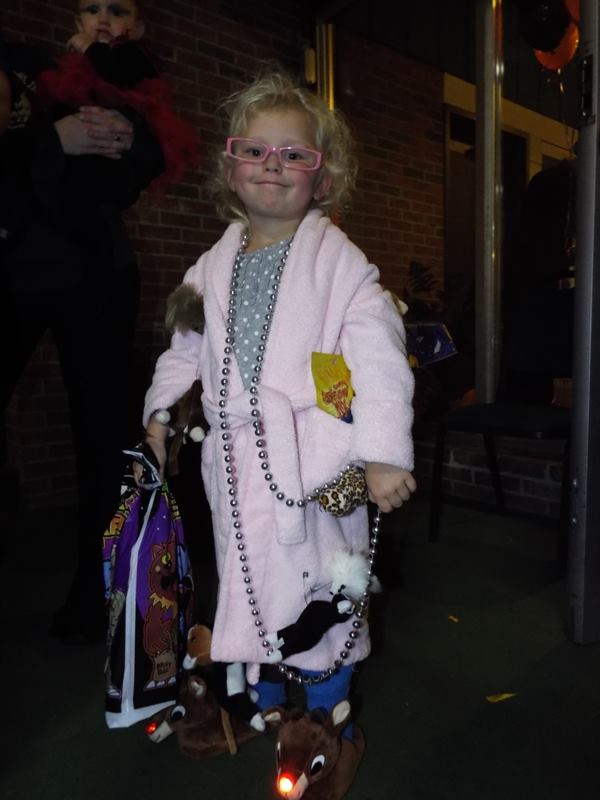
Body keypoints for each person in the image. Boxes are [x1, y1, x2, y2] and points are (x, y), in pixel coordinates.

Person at [141, 70, 416, 729]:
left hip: (314, 462)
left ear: (322, 178)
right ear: (230, 169)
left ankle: (325, 711)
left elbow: (380, 356)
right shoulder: (209, 267)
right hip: (237, 464)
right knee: (249, 577)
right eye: (255, 151)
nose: (273, 164)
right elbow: (184, 348)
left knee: (322, 584)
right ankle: (261, 693)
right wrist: (160, 411)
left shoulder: (341, 264)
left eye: (294, 154)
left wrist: (383, 453)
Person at [0, 25, 166, 644]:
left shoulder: (108, 75)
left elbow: (138, 170)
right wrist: (54, 140)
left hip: (97, 274)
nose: (104, 18)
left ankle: (100, 600)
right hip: (14, 267)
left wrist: (130, 138)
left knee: (104, 439)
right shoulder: (38, 79)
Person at [35, 0, 196, 191]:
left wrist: (91, 47)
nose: (103, 19)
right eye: (92, 10)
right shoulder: (71, 68)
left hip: (118, 164)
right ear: (79, 23)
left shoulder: (132, 55)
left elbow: (116, 72)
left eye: (117, 12)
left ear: (137, 29)